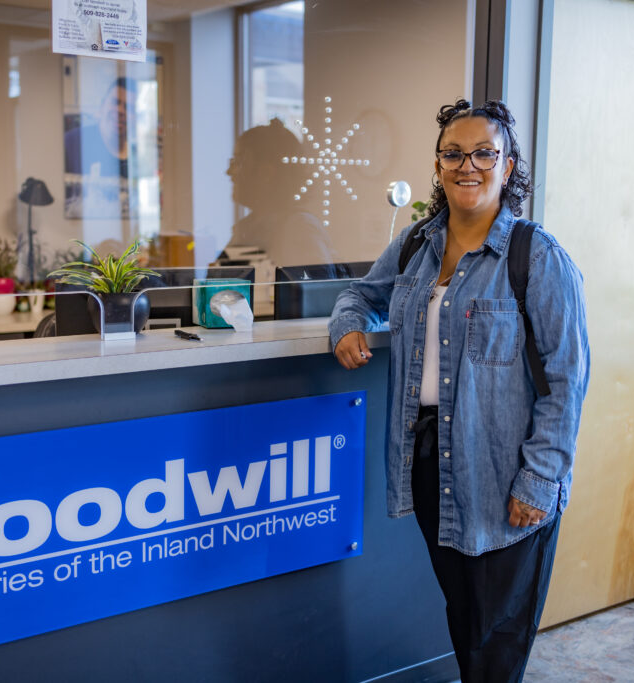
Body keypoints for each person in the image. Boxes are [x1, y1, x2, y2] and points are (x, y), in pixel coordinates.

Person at [328, 99, 590, 682]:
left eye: (483, 153)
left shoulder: (535, 255)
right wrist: (348, 326)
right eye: (453, 153)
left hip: (507, 470)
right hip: (430, 459)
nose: (466, 165)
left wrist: (540, 479)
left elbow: (568, 380)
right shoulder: (417, 243)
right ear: (439, 163)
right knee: (465, 614)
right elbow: (359, 295)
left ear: (508, 163)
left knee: (498, 632)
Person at [222, 118, 334, 267]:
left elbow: (316, 289)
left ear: (266, 173)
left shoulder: (298, 229)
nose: (229, 172)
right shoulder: (249, 228)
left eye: (238, 162)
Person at [63, 77, 137, 219]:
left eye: (128, 107)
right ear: (102, 107)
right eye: (115, 103)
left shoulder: (138, 156)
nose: (121, 111)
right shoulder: (73, 143)